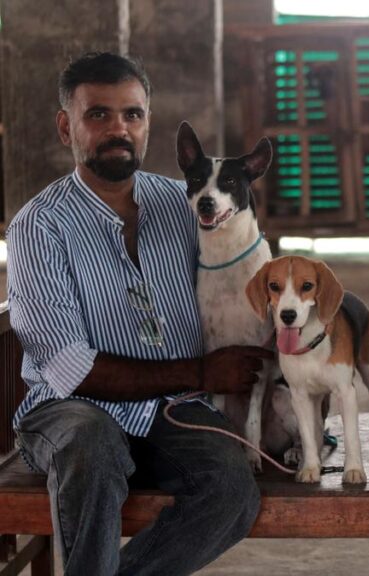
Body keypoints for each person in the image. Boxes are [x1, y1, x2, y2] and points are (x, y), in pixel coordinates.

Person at [7, 52, 272, 575]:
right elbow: (70, 369)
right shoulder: (38, 227)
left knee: (231, 490)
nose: (119, 129)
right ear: (67, 127)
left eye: (133, 114)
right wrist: (200, 372)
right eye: (98, 115)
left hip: (171, 407)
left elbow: (253, 270)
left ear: (148, 122)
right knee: (93, 443)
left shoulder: (186, 203)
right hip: (69, 411)